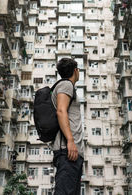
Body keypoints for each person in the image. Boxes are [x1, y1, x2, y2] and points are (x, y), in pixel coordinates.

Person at [52, 58, 84, 195]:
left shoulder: (67, 86)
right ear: (75, 71)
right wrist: (70, 141)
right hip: (68, 151)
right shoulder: (66, 85)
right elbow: (61, 111)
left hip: (72, 152)